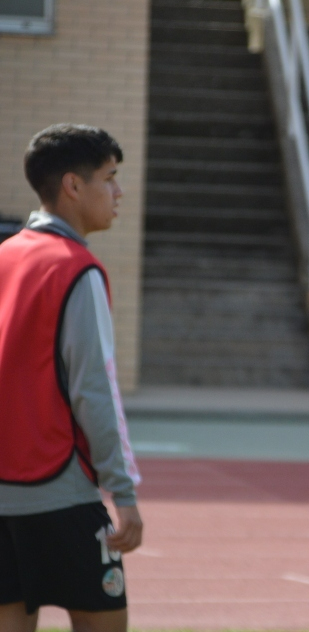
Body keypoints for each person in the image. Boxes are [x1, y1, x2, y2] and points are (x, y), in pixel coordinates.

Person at [0, 124, 143, 632]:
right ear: (73, 186)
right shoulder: (77, 268)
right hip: (61, 493)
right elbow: (95, 392)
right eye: (110, 178)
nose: (118, 192)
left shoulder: (4, 256)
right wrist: (123, 495)